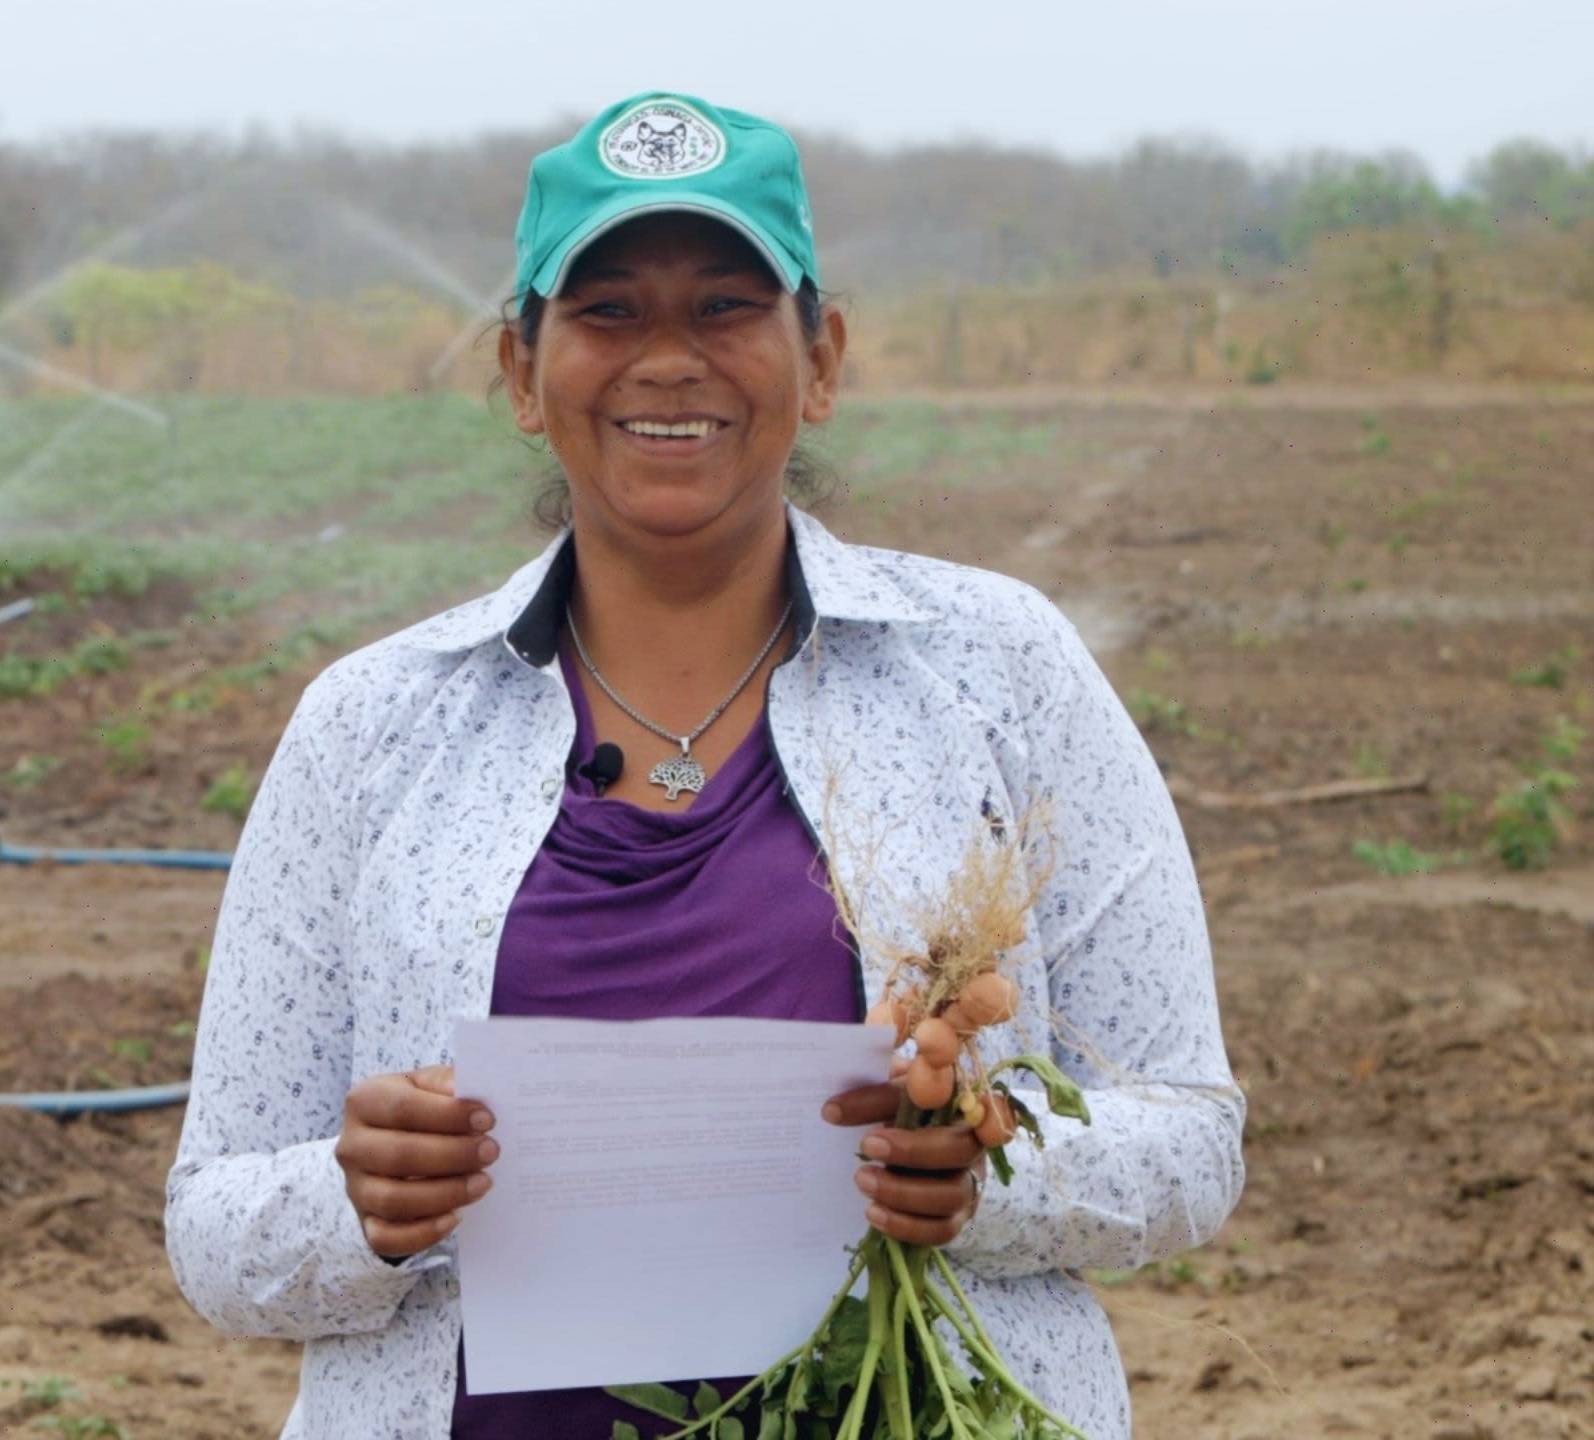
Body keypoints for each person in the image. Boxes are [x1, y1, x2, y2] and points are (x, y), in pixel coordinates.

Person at [166, 91, 1243, 1440]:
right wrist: (357, 1202)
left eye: (726, 307)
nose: (666, 361)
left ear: (822, 355)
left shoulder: (996, 672)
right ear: (521, 369)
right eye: (608, 311)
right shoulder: (373, 726)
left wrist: (984, 1168)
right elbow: (211, 1227)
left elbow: (1192, 1137)